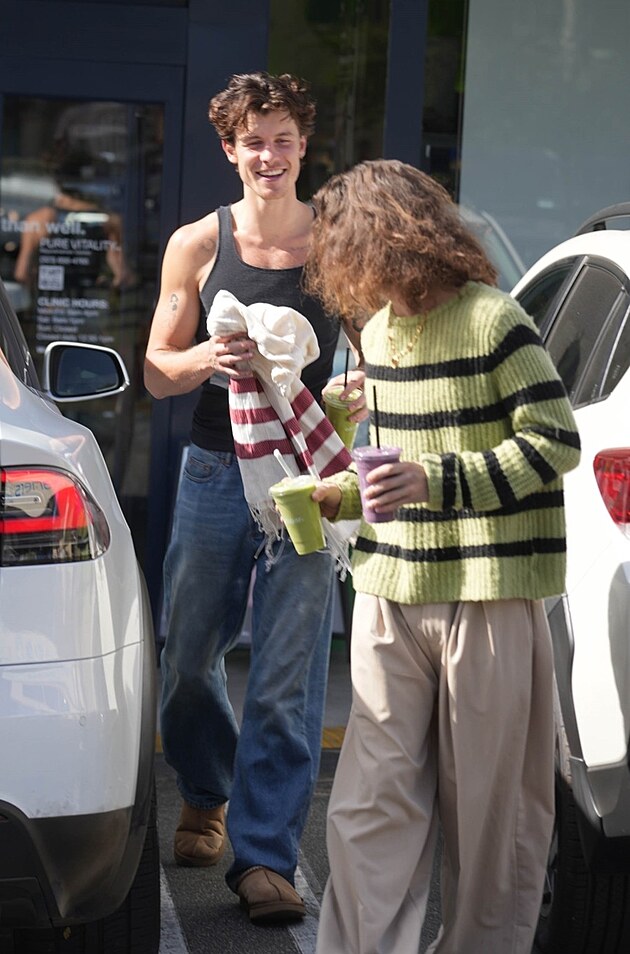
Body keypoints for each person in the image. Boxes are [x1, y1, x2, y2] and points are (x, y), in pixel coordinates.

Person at [304, 159, 582, 954]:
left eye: (343, 244)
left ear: (390, 237)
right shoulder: (378, 333)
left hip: (488, 593)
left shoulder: (494, 320)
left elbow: (556, 441)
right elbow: (397, 467)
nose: (337, 266)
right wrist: (345, 493)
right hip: (389, 590)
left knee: (493, 821)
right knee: (367, 809)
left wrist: (435, 480)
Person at [143, 71, 365, 923]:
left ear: (304, 146)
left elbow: (373, 354)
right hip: (214, 468)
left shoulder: (337, 243)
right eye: (253, 142)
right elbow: (158, 371)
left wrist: (359, 391)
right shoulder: (199, 243)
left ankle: (265, 858)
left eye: (282, 140)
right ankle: (206, 790)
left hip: (306, 477)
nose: (268, 155)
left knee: (286, 675)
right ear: (230, 150)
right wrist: (209, 357)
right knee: (188, 661)